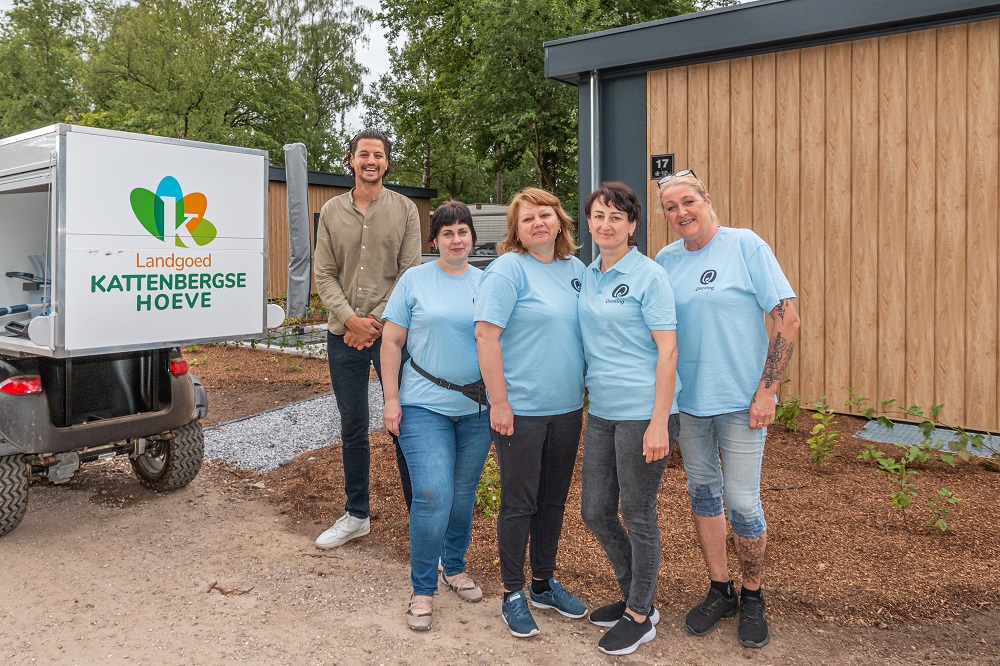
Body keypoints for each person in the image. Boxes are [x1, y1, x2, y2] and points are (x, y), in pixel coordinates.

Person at [655, 169, 800, 649]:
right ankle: (721, 589)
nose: (681, 213)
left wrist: (767, 390)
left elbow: (786, 317)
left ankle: (754, 594)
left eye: (687, 202)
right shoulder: (666, 260)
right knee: (702, 494)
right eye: (670, 207)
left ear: (707, 200)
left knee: (742, 502)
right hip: (690, 404)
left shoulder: (745, 245)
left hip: (741, 402)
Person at [473, 187, 588, 638]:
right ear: (516, 231)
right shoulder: (507, 270)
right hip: (520, 409)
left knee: (554, 500)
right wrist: (499, 402)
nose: (538, 223)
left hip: (566, 408)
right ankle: (513, 591)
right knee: (520, 502)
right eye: (527, 219)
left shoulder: (576, 270)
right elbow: (486, 337)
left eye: (545, 215)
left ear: (560, 222)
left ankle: (542, 583)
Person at [577, 182, 679, 656]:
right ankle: (636, 595)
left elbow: (668, 351)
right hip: (602, 412)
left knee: (638, 514)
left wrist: (660, 422)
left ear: (632, 225)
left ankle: (640, 615)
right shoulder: (588, 273)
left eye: (616, 216)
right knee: (595, 511)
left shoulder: (649, 276)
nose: (606, 224)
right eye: (598, 215)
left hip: (644, 414)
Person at [380, 202, 492, 631]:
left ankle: (455, 565)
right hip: (422, 406)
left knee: (462, 494)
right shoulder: (415, 280)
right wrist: (392, 400)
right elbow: (391, 343)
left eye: (463, 231)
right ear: (435, 240)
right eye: (448, 232)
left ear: (472, 238)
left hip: (477, 411)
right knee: (431, 493)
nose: (456, 239)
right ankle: (423, 589)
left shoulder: (488, 282)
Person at [313, 129, 421, 550]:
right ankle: (357, 514)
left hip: (391, 334)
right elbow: (324, 274)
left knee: (404, 424)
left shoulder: (406, 209)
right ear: (352, 161)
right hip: (343, 336)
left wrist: (374, 321)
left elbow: (410, 272)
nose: (370, 160)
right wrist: (350, 321)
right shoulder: (331, 211)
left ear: (387, 162)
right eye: (363, 154)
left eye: (378, 154)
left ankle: (420, 518)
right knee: (352, 427)